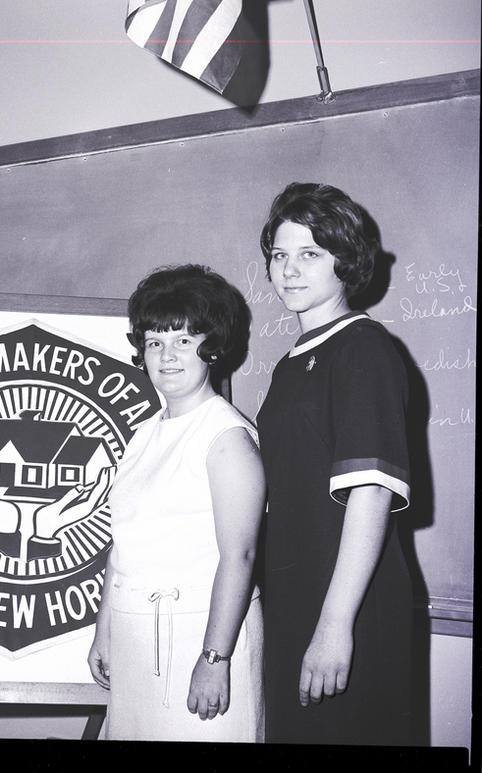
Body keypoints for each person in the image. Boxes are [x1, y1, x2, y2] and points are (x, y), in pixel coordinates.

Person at [256, 182, 413, 745]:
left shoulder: (363, 347)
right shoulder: (289, 363)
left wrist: (334, 625)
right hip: (297, 600)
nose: (289, 269)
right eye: (279, 254)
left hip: (348, 606)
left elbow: (372, 493)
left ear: (344, 261)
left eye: (310, 253)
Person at [87, 264, 265, 742]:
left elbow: (240, 555)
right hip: (135, 639)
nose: (166, 355)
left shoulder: (226, 437)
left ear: (213, 347)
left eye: (183, 340)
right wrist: (105, 629)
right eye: (154, 342)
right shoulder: (145, 433)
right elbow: (123, 543)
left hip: (200, 640)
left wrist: (215, 659)